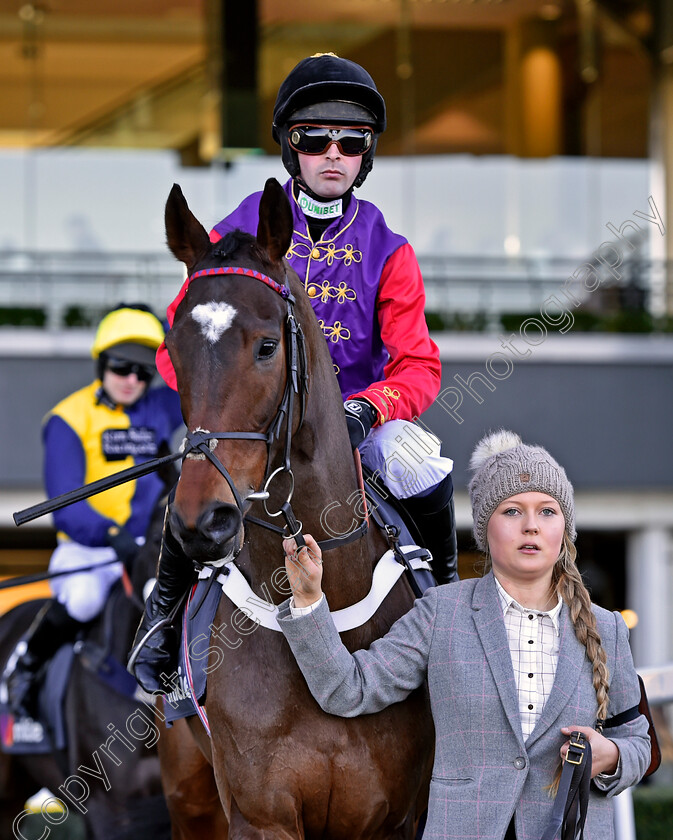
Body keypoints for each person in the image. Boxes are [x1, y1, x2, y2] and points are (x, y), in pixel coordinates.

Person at [131, 53, 458, 695]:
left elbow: (418, 365)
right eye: (315, 140)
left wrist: (368, 407)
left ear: (365, 155)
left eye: (350, 141)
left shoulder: (389, 250)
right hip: (251, 422)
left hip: (354, 424)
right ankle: (163, 620)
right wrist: (215, 414)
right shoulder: (232, 233)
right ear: (291, 149)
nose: (332, 153)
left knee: (424, 463)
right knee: (194, 464)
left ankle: (447, 618)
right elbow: (185, 341)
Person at [278, 429, 651, 840]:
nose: (531, 526)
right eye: (512, 511)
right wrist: (309, 600)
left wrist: (611, 755)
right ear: (484, 527)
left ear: (565, 528)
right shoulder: (442, 612)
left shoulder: (608, 628)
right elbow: (349, 688)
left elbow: (637, 741)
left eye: (547, 511)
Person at [5, 304, 183, 717]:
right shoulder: (67, 419)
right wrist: (111, 537)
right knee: (83, 599)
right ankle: (26, 665)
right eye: (122, 368)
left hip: (150, 549)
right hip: (91, 549)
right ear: (102, 362)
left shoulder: (157, 408)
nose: (132, 381)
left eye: (143, 372)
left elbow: (196, 364)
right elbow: (66, 506)